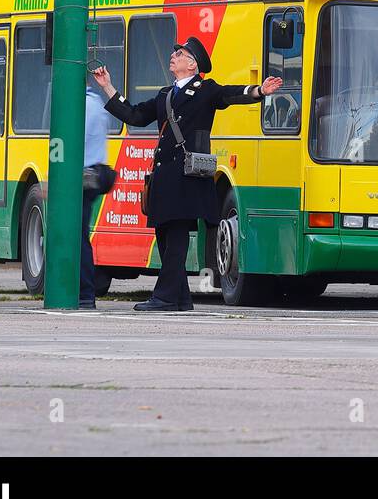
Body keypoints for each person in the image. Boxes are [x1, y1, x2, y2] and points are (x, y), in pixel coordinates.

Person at [92, 36, 283, 311]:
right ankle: (181, 298)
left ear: (192, 64)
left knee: (177, 237)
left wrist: (259, 91)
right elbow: (134, 115)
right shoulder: (165, 94)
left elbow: (230, 93)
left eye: (179, 54)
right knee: (165, 237)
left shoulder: (205, 90)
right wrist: (108, 87)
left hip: (186, 178)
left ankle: (165, 297)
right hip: (163, 179)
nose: (173, 57)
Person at [79, 72, 118, 310]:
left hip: (82, 176)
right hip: (96, 173)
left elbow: (74, 142)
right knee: (80, 235)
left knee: (77, 237)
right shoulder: (95, 103)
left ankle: (84, 293)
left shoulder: (81, 106)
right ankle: (85, 291)